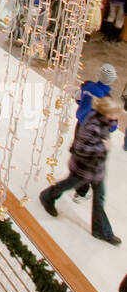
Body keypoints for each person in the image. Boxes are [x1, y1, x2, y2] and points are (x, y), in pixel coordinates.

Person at [40, 95, 122, 245]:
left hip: (96, 170)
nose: (118, 117)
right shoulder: (92, 125)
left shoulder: (105, 122)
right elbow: (81, 148)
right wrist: (102, 147)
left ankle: (102, 231)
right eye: (115, 113)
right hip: (83, 168)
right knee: (68, 184)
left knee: (99, 198)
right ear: (107, 113)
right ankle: (47, 196)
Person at [71, 64, 119, 201]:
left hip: (80, 125)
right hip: (95, 133)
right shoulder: (107, 98)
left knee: (79, 153)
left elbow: (77, 98)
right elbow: (112, 125)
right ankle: (81, 192)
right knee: (89, 163)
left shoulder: (87, 86)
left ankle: (76, 180)